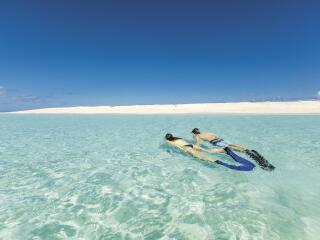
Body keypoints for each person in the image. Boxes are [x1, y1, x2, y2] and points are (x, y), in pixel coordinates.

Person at [191, 128, 275, 171]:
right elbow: (216, 135)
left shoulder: (197, 136)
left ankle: (245, 151)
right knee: (232, 145)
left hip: (216, 142)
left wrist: (195, 147)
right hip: (220, 139)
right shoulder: (206, 132)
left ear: (194, 133)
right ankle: (246, 150)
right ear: (199, 130)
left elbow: (197, 143)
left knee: (228, 148)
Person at [165, 133, 255, 171]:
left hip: (186, 148)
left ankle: (215, 161)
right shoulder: (179, 138)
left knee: (199, 157)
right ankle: (224, 150)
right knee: (208, 151)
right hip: (191, 145)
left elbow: (171, 144)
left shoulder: (169, 142)